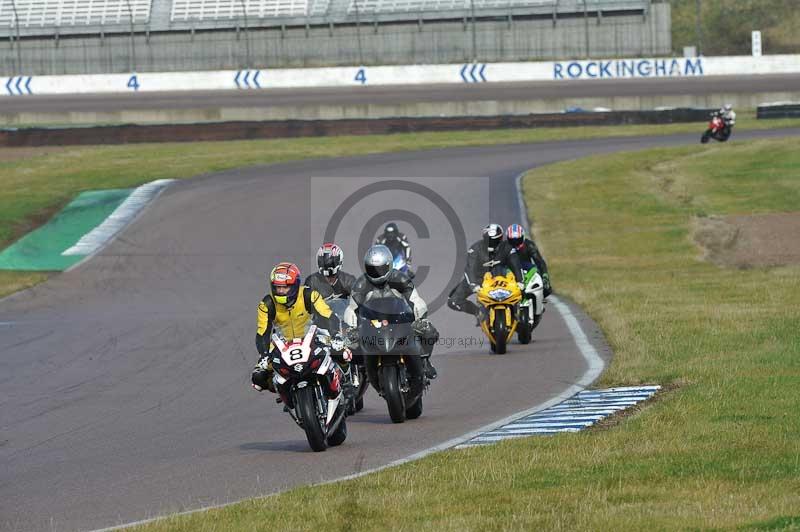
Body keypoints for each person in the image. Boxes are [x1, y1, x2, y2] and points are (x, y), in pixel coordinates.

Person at [344, 245, 438, 380]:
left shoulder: (400, 278)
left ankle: (425, 361)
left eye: (381, 268)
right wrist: (352, 329)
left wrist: (420, 319)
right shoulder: (361, 284)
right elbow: (351, 309)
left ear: (389, 265)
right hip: (373, 324)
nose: (377, 273)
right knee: (349, 346)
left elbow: (415, 300)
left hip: (401, 319)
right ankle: (363, 371)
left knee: (429, 332)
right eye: (372, 269)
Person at [251, 262, 343, 395]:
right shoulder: (266, 304)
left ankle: (347, 384)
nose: (281, 291)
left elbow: (329, 316)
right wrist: (264, 355)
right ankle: (286, 391)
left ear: (295, 285)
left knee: (343, 353)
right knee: (258, 378)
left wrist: (336, 335)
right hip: (283, 343)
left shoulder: (309, 295)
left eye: (285, 287)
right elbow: (262, 332)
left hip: (312, 337)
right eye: (277, 287)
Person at [447, 223, 523, 324]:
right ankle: (479, 312)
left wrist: (520, 280)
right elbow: (469, 268)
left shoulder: (507, 248)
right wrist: (473, 284)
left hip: (501, 277)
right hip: (478, 278)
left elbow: (516, 264)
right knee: (453, 301)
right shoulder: (475, 249)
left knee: (523, 289)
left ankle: (517, 310)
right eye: (488, 240)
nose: (491, 243)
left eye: (494, 240)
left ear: (500, 239)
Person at [506, 224, 551, 297]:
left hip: (527, 270)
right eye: (512, 241)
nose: (515, 243)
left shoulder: (529, 245)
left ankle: (538, 302)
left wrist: (545, 276)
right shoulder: (504, 247)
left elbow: (539, 261)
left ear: (523, 237)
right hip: (510, 273)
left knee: (546, 289)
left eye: (518, 240)